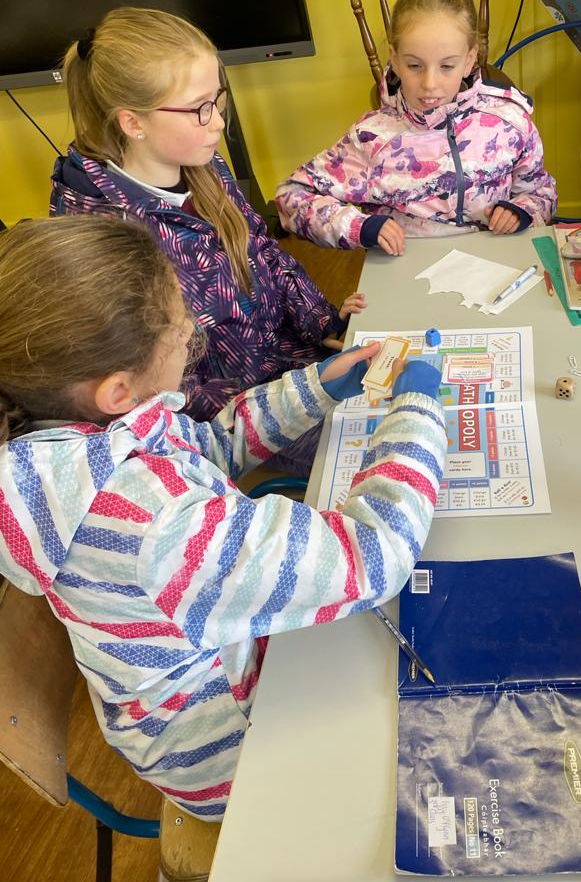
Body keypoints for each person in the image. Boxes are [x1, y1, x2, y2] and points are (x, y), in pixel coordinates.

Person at [0, 216, 445, 821]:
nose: (191, 326)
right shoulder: (153, 522)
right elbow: (374, 556)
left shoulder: (77, 439)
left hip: (225, 661)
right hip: (236, 752)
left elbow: (206, 448)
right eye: (177, 322)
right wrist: (416, 412)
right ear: (118, 390)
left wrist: (316, 388)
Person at [50, 6, 365, 435]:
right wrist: (294, 399)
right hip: (235, 423)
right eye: (200, 108)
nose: (217, 121)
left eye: (218, 99)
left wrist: (322, 322)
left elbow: (263, 250)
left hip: (289, 368)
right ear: (133, 123)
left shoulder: (203, 164)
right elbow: (163, 388)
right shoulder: (99, 240)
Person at [275, 0, 557, 255]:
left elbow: (541, 192)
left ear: (469, 59)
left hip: (497, 264)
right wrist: (359, 226)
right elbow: (290, 196)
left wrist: (522, 211)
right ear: (395, 59)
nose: (430, 84)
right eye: (414, 66)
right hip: (407, 267)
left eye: (447, 66)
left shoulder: (509, 122)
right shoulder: (371, 139)